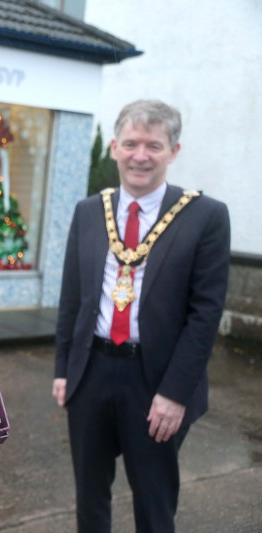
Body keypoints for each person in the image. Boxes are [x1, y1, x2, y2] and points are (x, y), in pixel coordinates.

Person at [53, 99, 230, 532]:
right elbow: (72, 299)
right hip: (90, 372)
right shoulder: (89, 210)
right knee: (89, 497)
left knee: (153, 501)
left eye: (154, 145)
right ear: (114, 147)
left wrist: (176, 392)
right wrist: (63, 370)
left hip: (155, 382)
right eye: (130, 143)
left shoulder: (205, 216)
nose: (140, 155)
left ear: (174, 151)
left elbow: (204, 315)